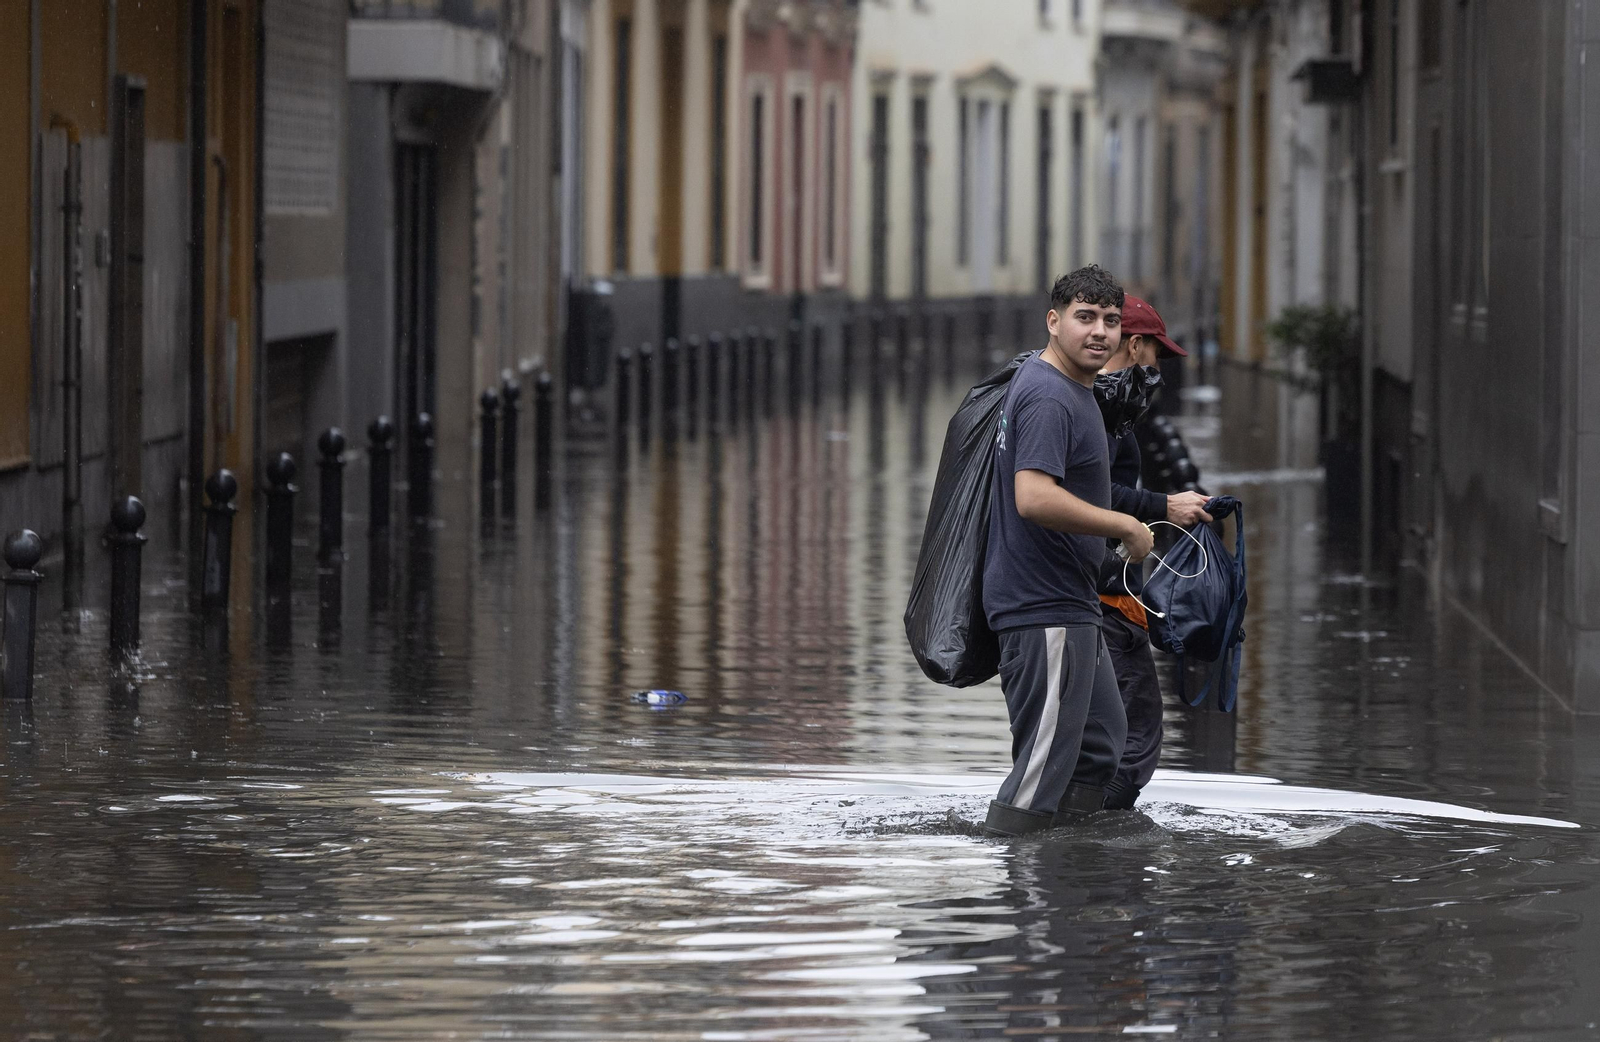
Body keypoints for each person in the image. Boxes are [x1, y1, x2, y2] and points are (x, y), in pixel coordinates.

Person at [981, 265, 1155, 838]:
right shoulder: (1050, 397)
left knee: (1100, 747)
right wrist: (1125, 525)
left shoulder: (1073, 388)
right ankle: (1022, 898)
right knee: (1041, 768)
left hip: (1073, 602)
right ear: (1054, 322)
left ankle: (1069, 872)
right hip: (1043, 606)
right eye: (1085, 318)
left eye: (1110, 320)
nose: (1100, 332)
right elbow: (1032, 497)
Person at [1094, 296, 1213, 811]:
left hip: (1093, 590)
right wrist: (1162, 505)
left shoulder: (1095, 404)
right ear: (1135, 344)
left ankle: (1076, 840)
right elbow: (1081, 492)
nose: (1158, 372)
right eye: (1156, 357)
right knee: (1135, 735)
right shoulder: (1092, 406)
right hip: (1098, 592)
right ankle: (1092, 842)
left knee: (1095, 736)